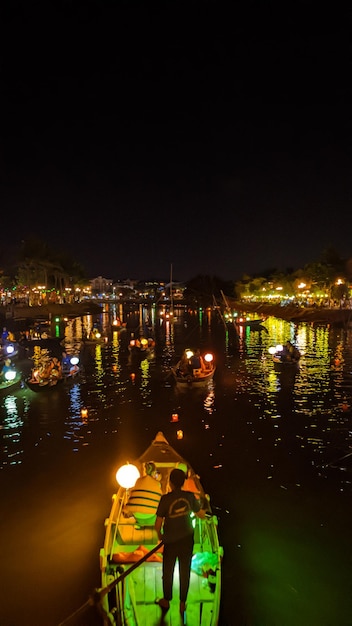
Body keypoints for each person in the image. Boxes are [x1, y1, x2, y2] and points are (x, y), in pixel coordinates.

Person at [155, 467, 206, 615]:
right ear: (184, 482)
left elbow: (157, 525)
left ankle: (166, 600)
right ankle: (182, 603)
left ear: (169, 483)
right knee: (185, 571)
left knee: (168, 571)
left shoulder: (165, 499)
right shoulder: (190, 497)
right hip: (187, 540)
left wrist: (160, 536)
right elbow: (201, 515)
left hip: (170, 542)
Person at [124, 461, 162, 527]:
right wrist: (157, 480)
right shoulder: (157, 483)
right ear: (154, 472)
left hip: (138, 516)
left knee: (137, 510)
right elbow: (158, 497)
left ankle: (139, 525)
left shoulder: (138, 480)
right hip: (151, 517)